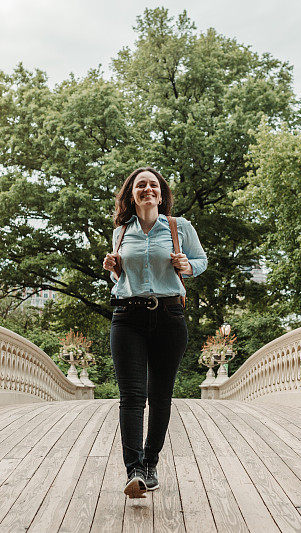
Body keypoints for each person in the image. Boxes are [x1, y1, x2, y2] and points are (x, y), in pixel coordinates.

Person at [102, 167, 207, 498]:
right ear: (131, 195)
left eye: (153, 185)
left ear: (161, 194)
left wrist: (188, 266)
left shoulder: (178, 227)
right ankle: (133, 471)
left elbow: (201, 260)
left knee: (160, 396)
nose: (147, 189)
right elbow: (122, 279)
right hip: (127, 316)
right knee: (132, 396)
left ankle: (150, 463)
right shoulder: (120, 233)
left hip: (169, 316)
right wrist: (113, 269)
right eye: (140, 185)